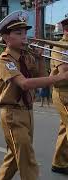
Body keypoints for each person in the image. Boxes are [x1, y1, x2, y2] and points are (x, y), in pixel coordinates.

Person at [0, 11, 68, 180]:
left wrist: (41, 60)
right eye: (18, 34)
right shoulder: (4, 60)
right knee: (28, 160)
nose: (24, 37)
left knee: (14, 159)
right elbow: (25, 84)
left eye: (25, 33)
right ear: (5, 38)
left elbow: (44, 79)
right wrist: (61, 76)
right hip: (12, 114)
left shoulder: (27, 57)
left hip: (28, 112)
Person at [50, 17, 68, 175]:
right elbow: (64, 73)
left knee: (65, 127)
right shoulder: (61, 47)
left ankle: (59, 163)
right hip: (63, 94)